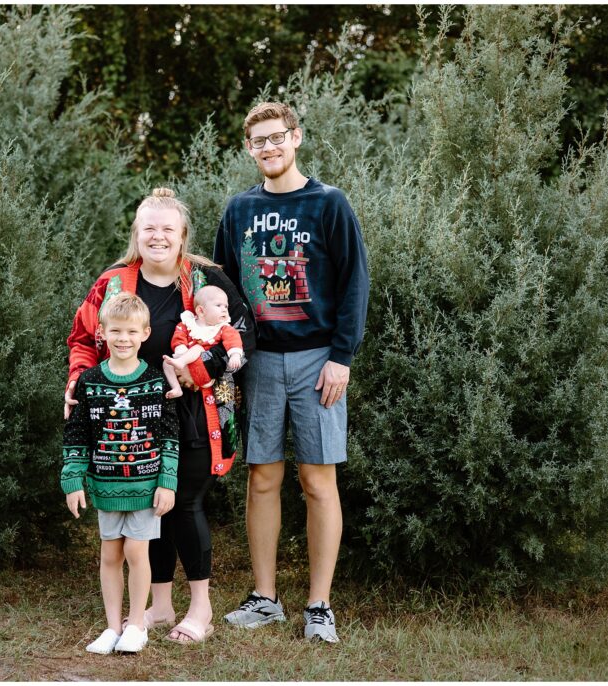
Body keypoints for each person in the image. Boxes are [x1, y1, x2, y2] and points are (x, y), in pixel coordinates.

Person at [65, 188, 255, 644]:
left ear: (183, 234)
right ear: (136, 233)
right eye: (149, 227)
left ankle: (202, 610)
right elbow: (84, 338)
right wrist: (77, 382)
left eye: (167, 228)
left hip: (197, 411)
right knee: (156, 506)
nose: (158, 236)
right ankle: (163, 605)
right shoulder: (112, 283)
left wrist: (197, 372)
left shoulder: (205, 278)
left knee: (184, 503)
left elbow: (244, 331)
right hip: (133, 418)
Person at [213, 101, 369, 643]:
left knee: (317, 479)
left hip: (317, 360)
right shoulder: (237, 210)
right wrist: (223, 357)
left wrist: (342, 358)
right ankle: (265, 599)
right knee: (263, 476)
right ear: (248, 148)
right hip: (255, 362)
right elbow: (224, 292)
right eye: (259, 141)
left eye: (277, 137)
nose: (269, 148)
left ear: (296, 138)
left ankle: (319, 606)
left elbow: (354, 282)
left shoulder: (328, 203)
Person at [60, 292, 177, 654]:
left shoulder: (156, 384)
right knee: (110, 554)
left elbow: (170, 437)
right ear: (103, 333)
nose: (123, 338)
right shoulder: (90, 382)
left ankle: (137, 625)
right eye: (115, 331)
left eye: (130, 331)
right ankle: (112, 627)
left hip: (145, 485)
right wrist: (72, 480)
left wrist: (167, 482)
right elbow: (77, 436)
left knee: (137, 553)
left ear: (145, 333)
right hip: (107, 486)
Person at [162, 285, 244, 399]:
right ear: (201, 311)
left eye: (226, 306)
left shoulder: (223, 328)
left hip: (204, 371)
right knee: (166, 363)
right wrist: (180, 349)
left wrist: (235, 355)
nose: (224, 309)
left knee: (198, 348)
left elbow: (233, 340)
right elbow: (178, 336)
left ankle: (181, 362)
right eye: (218, 305)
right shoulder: (188, 324)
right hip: (183, 366)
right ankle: (176, 388)